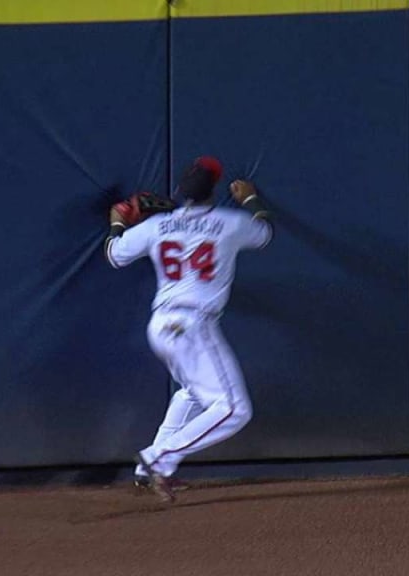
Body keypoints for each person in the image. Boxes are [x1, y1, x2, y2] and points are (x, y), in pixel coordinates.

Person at [104, 156, 273, 502]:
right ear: (214, 190)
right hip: (193, 325)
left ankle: (146, 470)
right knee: (234, 409)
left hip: (161, 326)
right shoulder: (230, 222)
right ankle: (157, 459)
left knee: (193, 393)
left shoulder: (156, 226)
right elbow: (264, 231)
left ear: (180, 191)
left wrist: (118, 222)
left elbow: (115, 255)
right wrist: (250, 199)